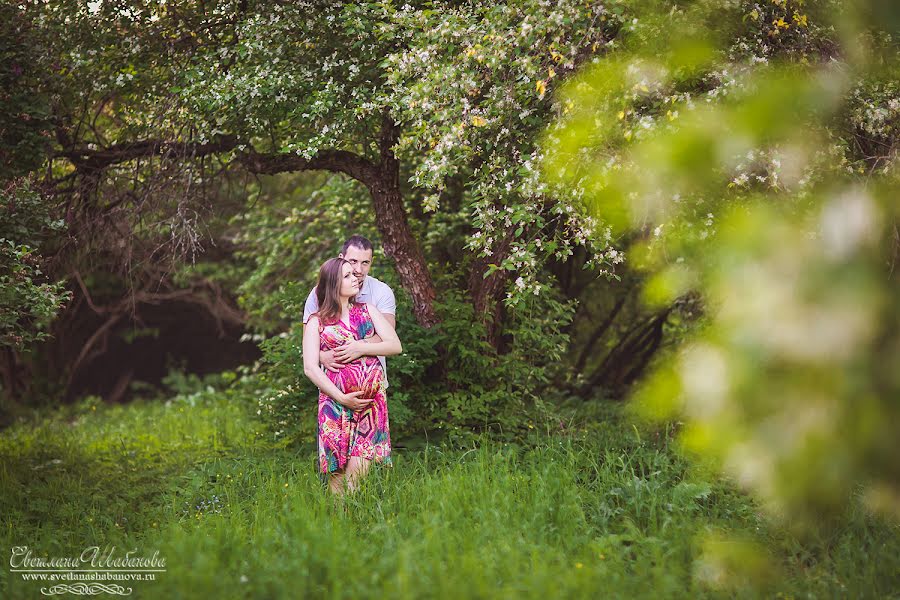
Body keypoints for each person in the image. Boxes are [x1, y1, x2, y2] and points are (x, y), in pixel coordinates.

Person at [302, 257, 402, 495]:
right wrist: (341, 397)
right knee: (337, 473)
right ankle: (339, 525)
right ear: (333, 284)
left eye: (354, 274)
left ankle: (351, 520)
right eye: (347, 275)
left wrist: (361, 347)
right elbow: (310, 367)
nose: (355, 277)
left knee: (357, 474)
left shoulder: (369, 311)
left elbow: (394, 345)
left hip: (370, 407)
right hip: (335, 405)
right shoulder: (317, 322)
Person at [303, 235, 397, 387]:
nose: (358, 270)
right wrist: (321, 356)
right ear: (341, 258)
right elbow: (308, 341)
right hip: (334, 385)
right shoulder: (318, 294)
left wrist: (357, 347)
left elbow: (387, 336)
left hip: (372, 382)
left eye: (365, 263)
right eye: (353, 261)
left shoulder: (381, 292)